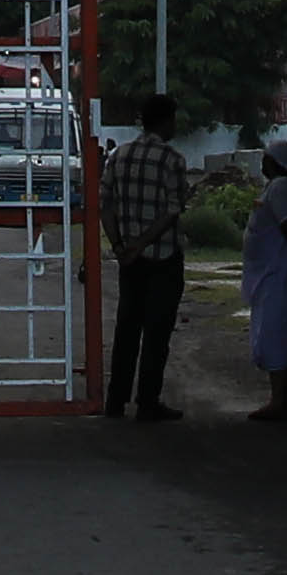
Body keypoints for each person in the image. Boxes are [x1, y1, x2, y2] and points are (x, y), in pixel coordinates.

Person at [98, 90, 194, 424]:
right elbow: (172, 210)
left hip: (130, 260)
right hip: (163, 257)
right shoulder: (172, 159)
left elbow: (105, 204)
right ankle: (147, 401)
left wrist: (120, 245)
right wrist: (141, 243)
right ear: (166, 121)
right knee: (157, 331)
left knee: (127, 328)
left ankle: (115, 399)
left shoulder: (118, 156)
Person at [239, 135, 287, 425]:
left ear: (275, 162)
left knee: (278, 338)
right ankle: (281, 400)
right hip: (272, 275)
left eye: (266, 158)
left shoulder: (281, 187)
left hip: (280, 276)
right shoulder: (277, 187)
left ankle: (280, 401)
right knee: (277, 336)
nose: (263, 163)